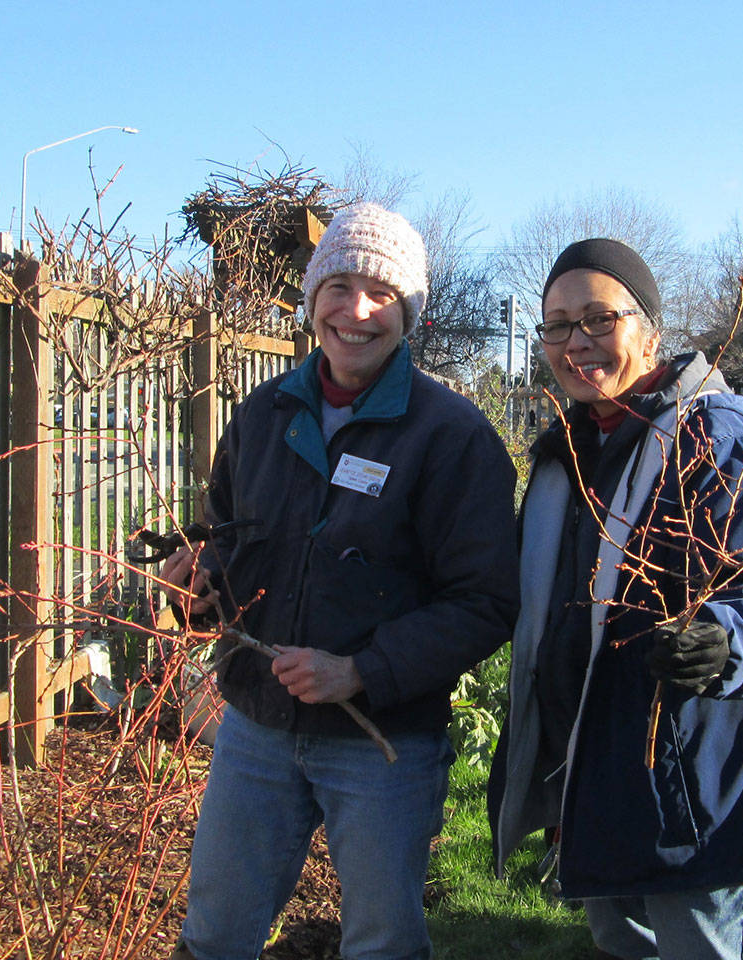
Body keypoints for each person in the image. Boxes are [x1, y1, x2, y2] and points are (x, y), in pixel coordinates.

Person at [162, 202, 519, 960]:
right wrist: (200, 588)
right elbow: (227, 543)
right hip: (256, 727)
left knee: (381, 942)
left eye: (382, 293)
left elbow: (486, 602)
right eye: (339, 287)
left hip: (382, 744)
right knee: (214, 932)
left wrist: (359, 671)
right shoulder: (263, 415)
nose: (356, 311)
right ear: (312, 301)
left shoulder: (451, 438)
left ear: (409, 313)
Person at [488, 238, 743, 960]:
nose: (578, 341)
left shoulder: (714, 443)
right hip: (602, 778)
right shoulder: (568, 454)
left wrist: (724, 639)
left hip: (698, 789)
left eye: (599, 318)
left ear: (649, 329)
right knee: (621, 943)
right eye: (558, 325)